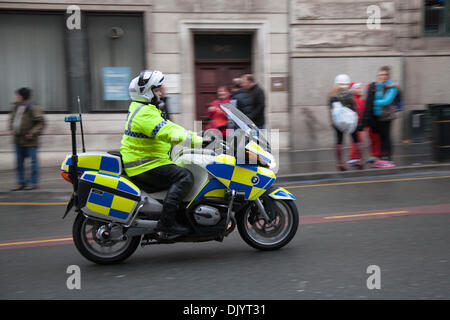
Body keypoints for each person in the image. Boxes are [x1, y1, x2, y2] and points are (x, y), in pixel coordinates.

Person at [120, 70, 203, 235]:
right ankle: (167, 224)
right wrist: (201, 142)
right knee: (185, 176)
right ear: (147, 93)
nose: (161, 94)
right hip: (144, 164)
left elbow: (171, 127)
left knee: (184, 165)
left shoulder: (145, 109)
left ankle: (179, 215)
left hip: (149, 160)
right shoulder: (144, 113)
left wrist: (198, 136)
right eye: (157, 91)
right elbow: (167, 132)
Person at [9, 87, 45, 191]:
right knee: (19, 164)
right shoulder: (16, 107)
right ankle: (20, 183)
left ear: (23, 96)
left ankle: (33, 183)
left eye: (18, 95)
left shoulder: (33, 107)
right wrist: (11, 128)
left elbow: (41, 123)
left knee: (33, 163)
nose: (16, 97)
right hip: (18, 140)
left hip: (30, 141)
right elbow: (12, 119)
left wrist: (32, 133)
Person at [363, 66, 398, 168]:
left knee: (386, 137)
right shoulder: (379, 86)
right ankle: (383, 158)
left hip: (387, 116)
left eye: (383, 75)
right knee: (382, 138)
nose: (381, 76)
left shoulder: (392, 87)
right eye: (379, 75)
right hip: (379, 115)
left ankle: (388, 158)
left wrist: (374, 102)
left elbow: (386, 101)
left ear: (387, 76)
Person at [329, 74, 363, 171]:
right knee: (355, 139)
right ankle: (360, 160)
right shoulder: (348, 93)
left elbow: (331, 109)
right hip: (350, 120)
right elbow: (353, 107)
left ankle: (339, 163)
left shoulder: (332, 94)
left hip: (337, 121)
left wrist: (332, 122)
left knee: (339, 141)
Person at [347, 82, 365, 166]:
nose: (359, 89)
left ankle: (357, 157)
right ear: (353, 90)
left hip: (359, 123)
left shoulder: (360, 100)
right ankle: (353, 157)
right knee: (356, 141)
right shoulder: (353, 100)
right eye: (357, 88)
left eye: (360, 88)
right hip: (354, 123)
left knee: (359, 140)